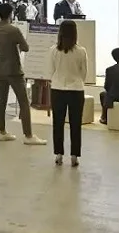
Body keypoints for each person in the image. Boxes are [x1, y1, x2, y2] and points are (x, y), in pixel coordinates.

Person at [0, 3, 46, 145]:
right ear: (11, 14)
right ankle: (28, 135)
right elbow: (25, 47)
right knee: (24, 101)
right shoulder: (14, 30)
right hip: (13, 69)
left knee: (1, 100)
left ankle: (2, 131)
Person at [48, 20, 88, 167]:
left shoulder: (53, 50)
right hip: (76, 90)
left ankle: (58, 154)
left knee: (57, 123)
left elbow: (51, 71)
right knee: (75, 123)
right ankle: (74, 156)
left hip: (57, 89)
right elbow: (84, 73)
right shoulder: (81, 51)